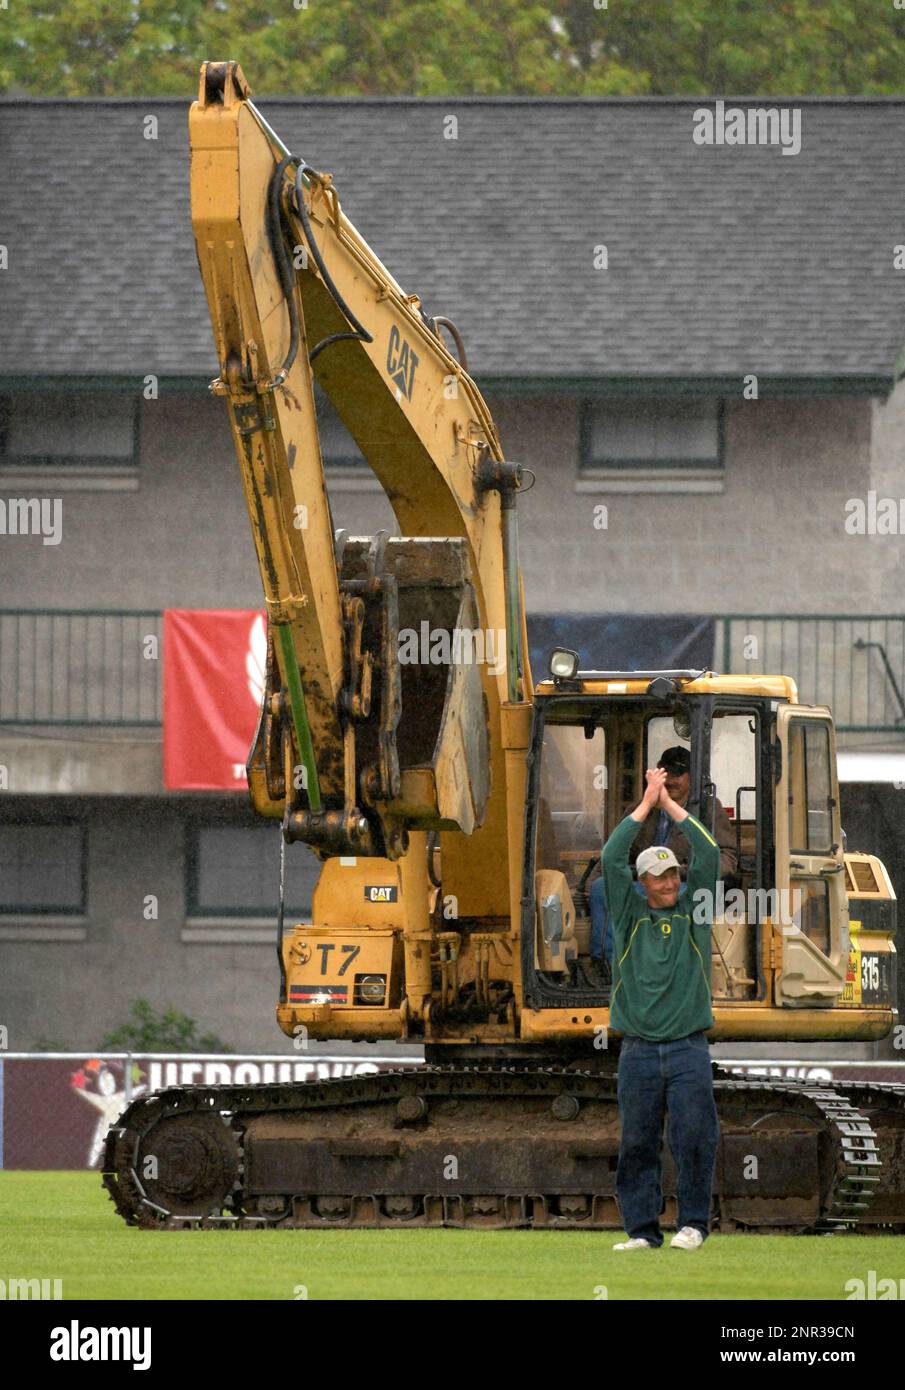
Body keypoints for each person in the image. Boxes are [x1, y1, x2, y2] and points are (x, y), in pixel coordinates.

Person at [604, 765, 721, 1251]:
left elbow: (710, 853)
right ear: (643, 883)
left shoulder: (694, 914)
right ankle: (642, 1232)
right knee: (636, 1144)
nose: (669, 882)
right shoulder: (629, 917)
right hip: (638, 1054)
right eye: (659, 876)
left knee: (694, 1137)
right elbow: (612, 857)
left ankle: (692, 1225)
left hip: (688, 1050)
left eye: (673, 873)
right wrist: (646, 804)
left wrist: (671, 805)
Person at [588, 744, 737, 969]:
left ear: (692, 778)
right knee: (602, 888)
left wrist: (689, 872)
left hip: (684, 884)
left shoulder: (708, 811)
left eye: (678, 774)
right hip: (643, 882)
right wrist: (596, 880)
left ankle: (663, 967)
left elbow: (727, 857)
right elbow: (616, 851)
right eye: (665, 774)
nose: (670, 781)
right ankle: (610, 965)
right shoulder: (640, 810)